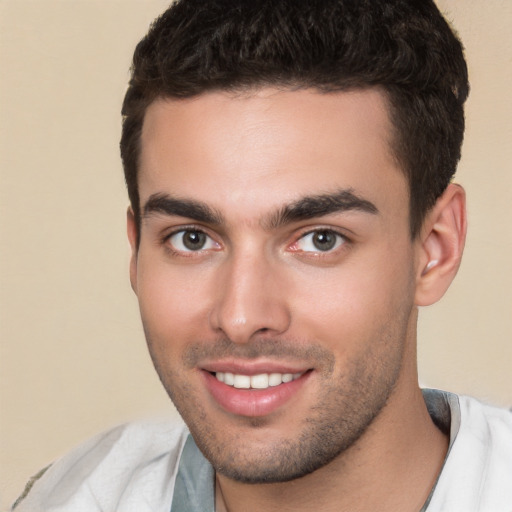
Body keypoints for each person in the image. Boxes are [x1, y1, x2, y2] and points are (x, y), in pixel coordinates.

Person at [13, 0, 512, 511]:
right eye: (192, 238)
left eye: (321, 239)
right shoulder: (74, 495)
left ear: (434, 249)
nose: (241, 317)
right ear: (137, 250)